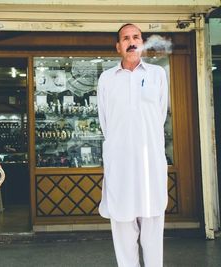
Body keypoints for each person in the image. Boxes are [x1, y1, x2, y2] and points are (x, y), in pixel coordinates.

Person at [97, 23, 169, 267]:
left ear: (143, 42)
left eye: (136, 36)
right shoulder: (106, 79)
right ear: (118, 46)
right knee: (123, 233)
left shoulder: (157, 75)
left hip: (150, 165)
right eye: (125, 38)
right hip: (120, 165)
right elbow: (105, 122)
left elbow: (159, 117)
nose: (131, 41)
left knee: (152, 234)